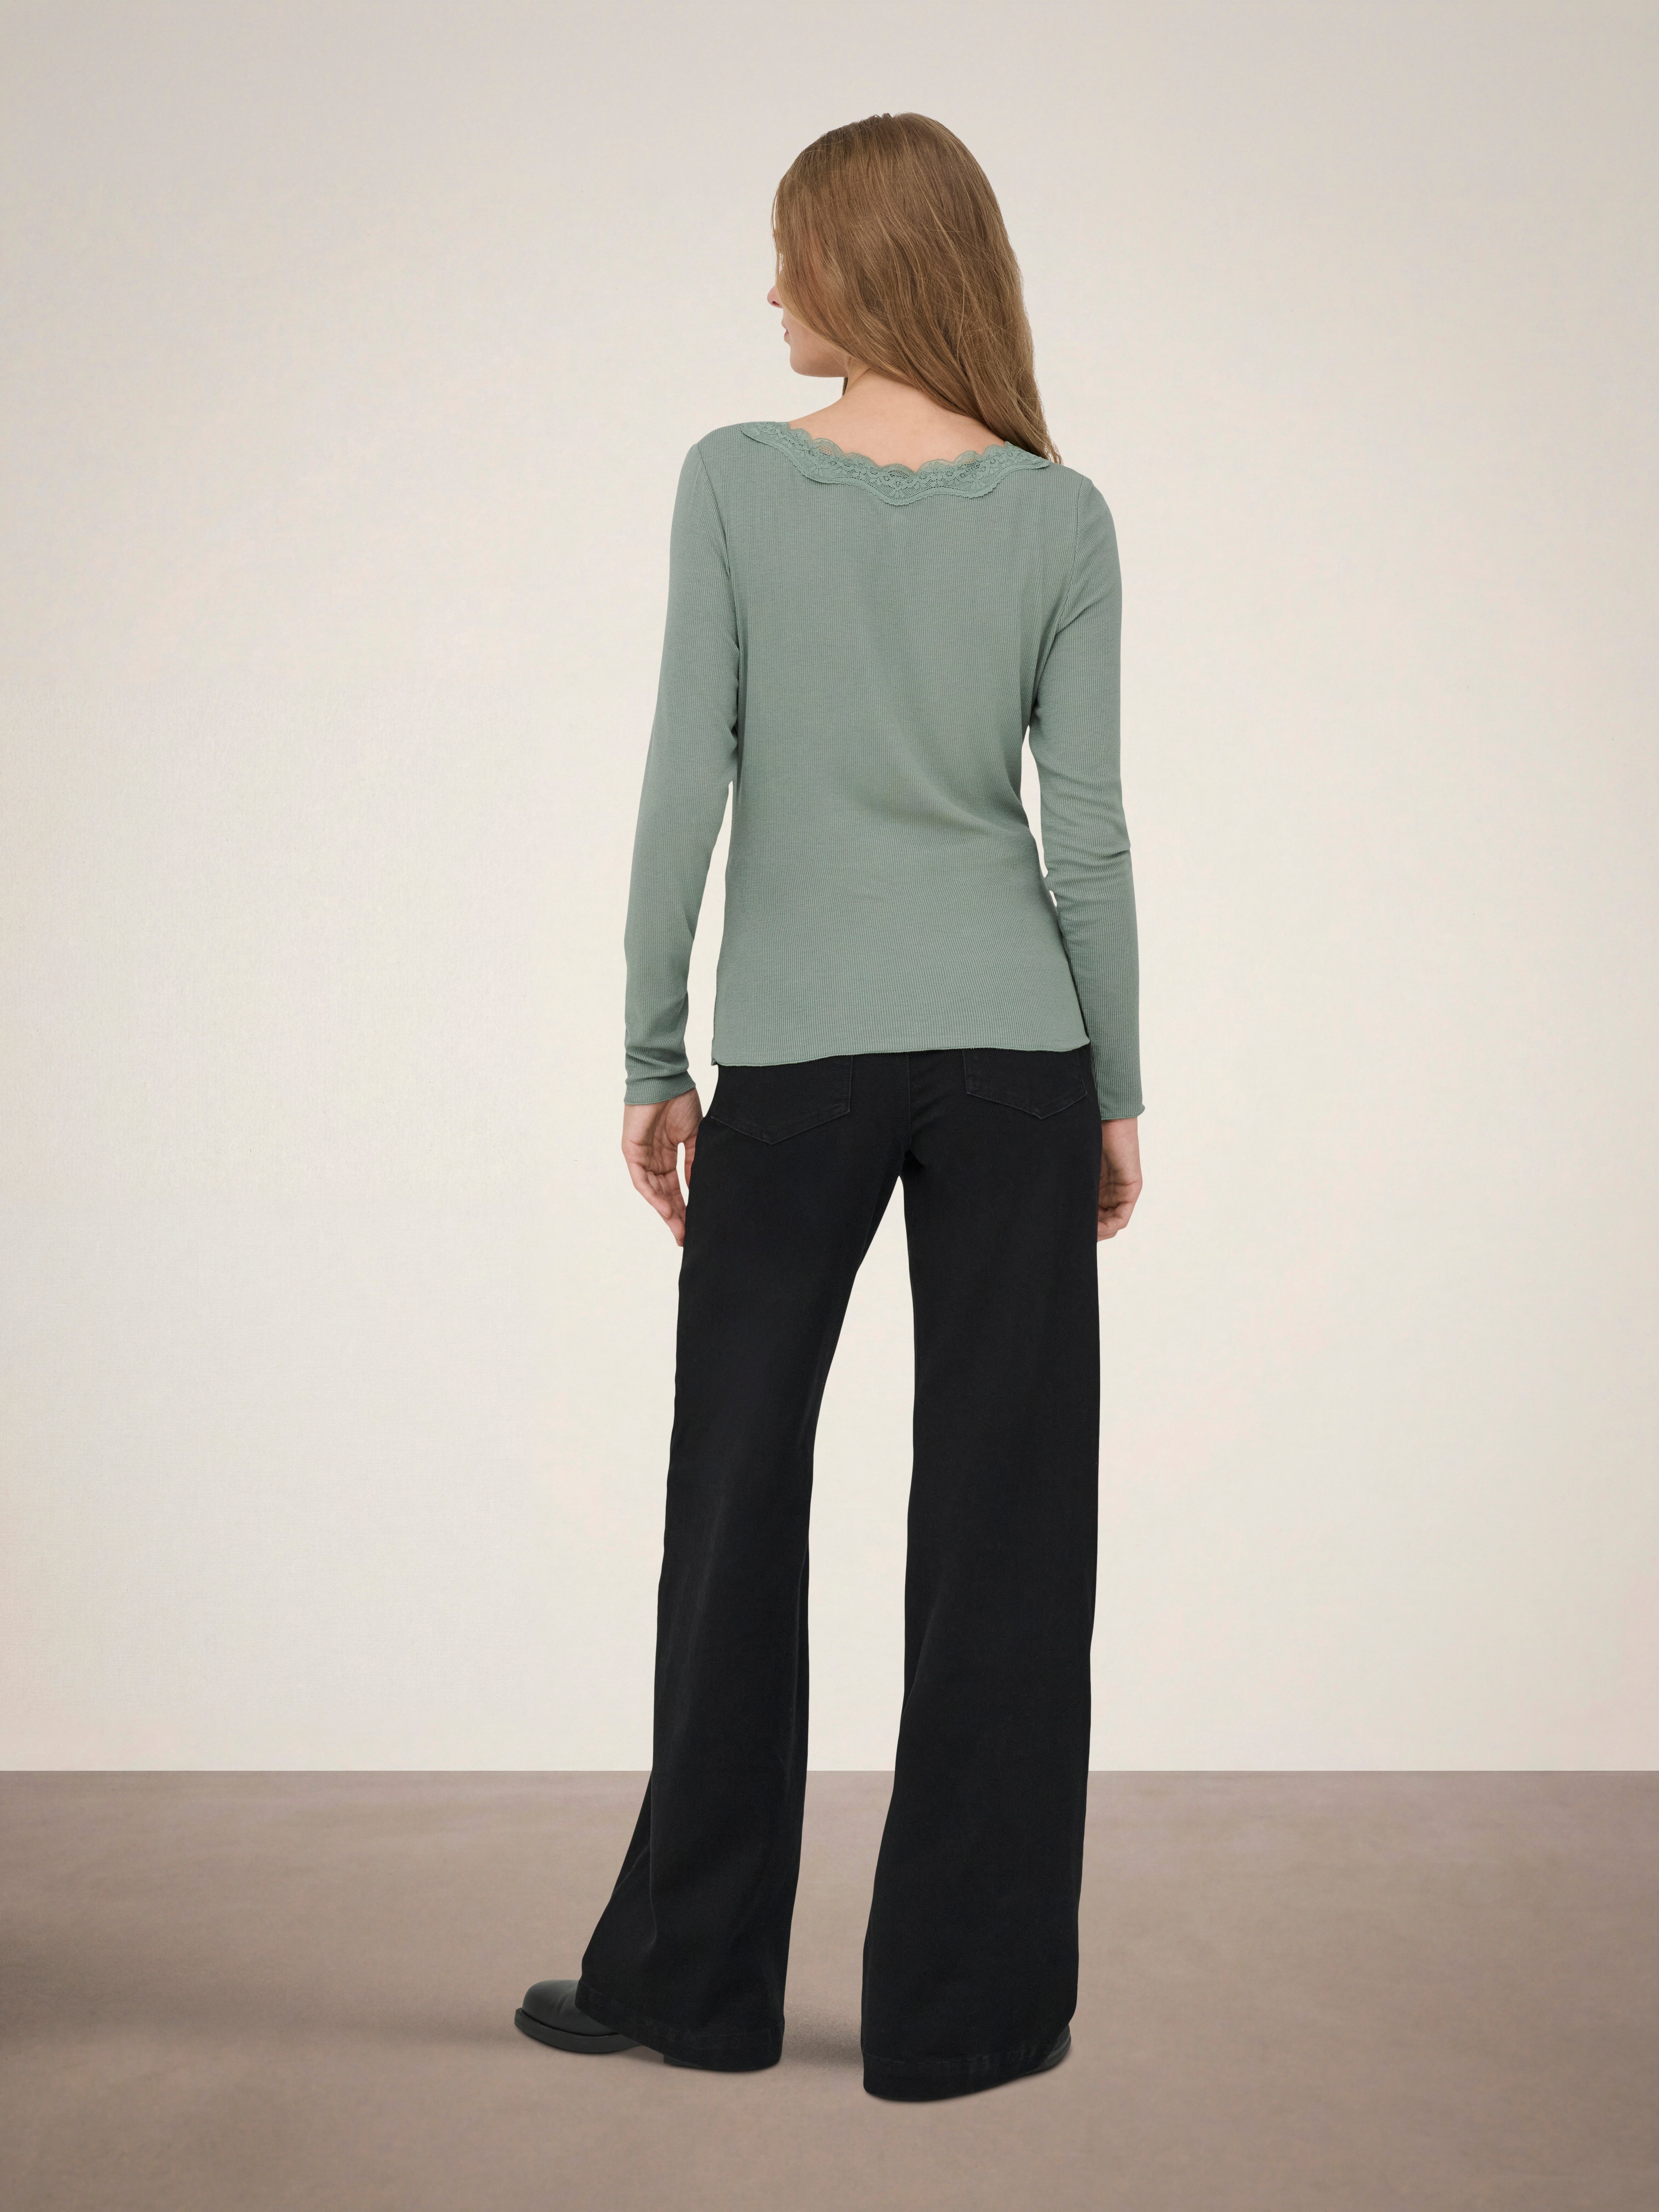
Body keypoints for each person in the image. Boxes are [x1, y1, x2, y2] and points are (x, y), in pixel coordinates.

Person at [514, 110, 1143, 2103]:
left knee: (732, 1501)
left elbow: (680, 781)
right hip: (1018, 1055)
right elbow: (1087, 837)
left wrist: (652, 1054)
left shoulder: (734, 482)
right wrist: (1117, 1086)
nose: (771, 290)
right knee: (1009, 1524)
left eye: (791, 252)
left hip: (795, 1056)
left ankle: (692, 1985)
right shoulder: (1061, 517)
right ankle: (969, 2016)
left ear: (863, 267)